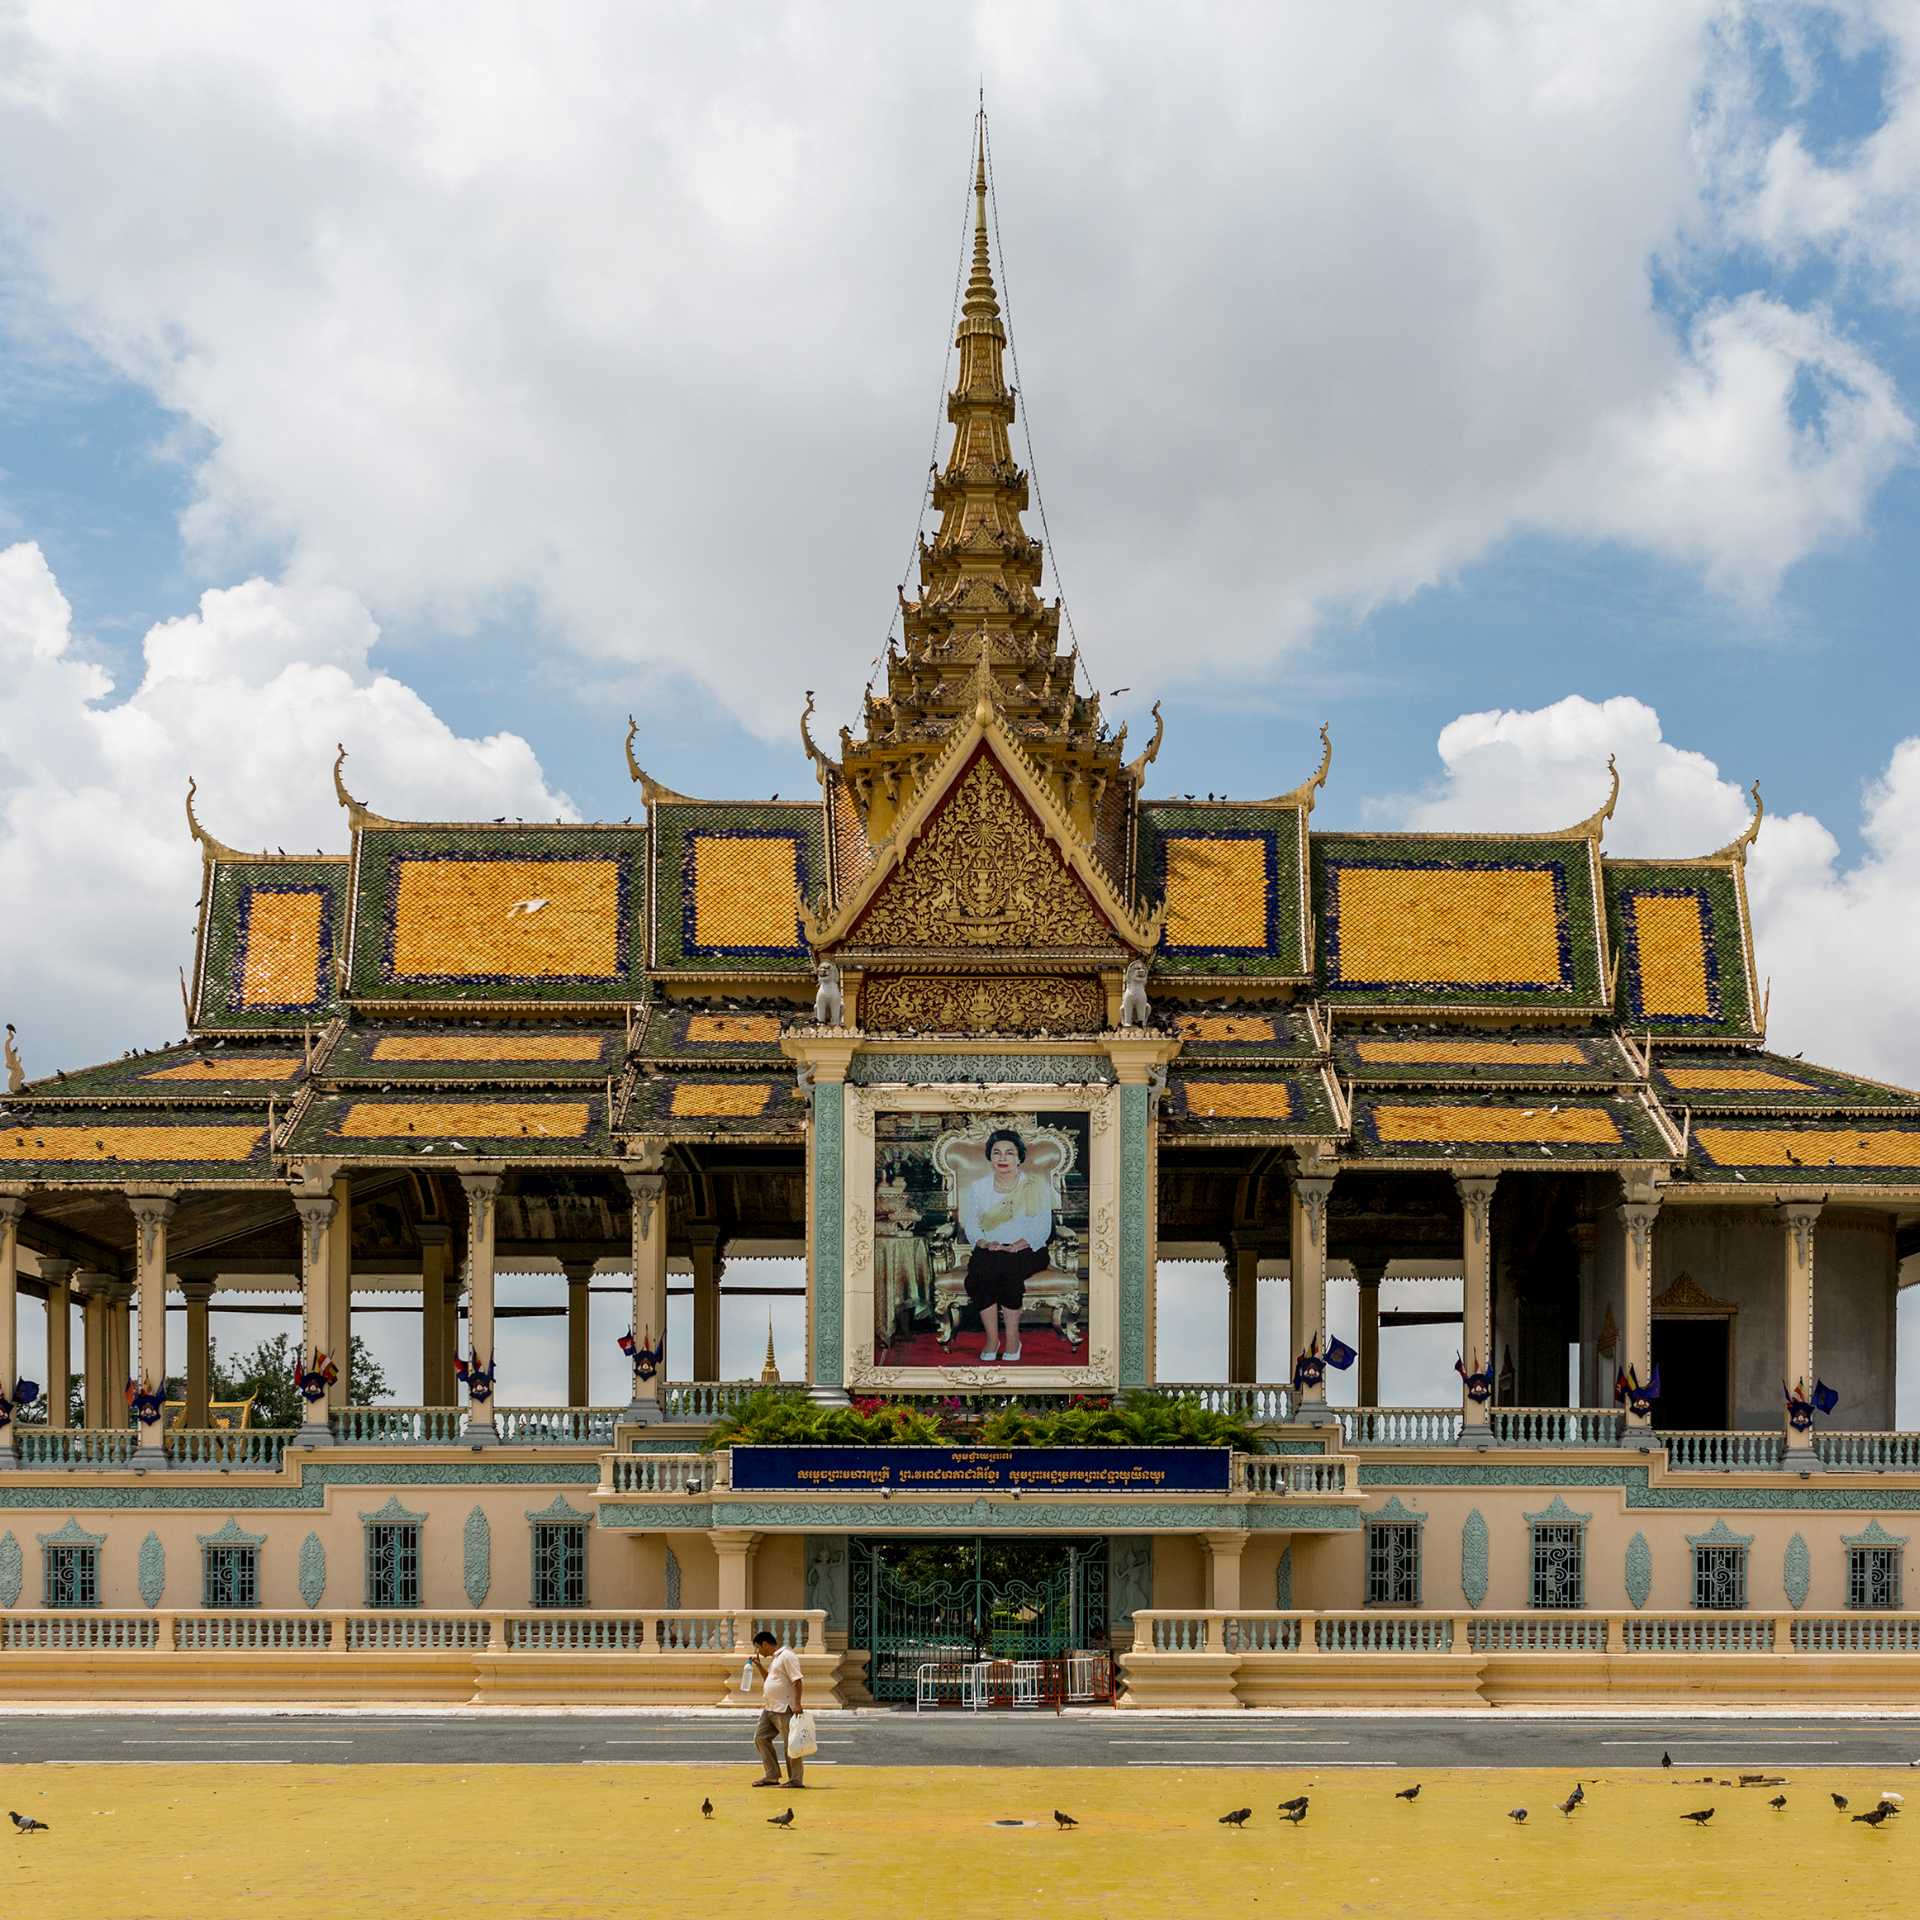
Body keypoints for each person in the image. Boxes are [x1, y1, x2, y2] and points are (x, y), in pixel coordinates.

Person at [959, 1127, 1053, 1364]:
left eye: (1009, 1153)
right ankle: (992, 1340)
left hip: (1029, 1249)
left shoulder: (1035, 1185)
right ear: (990, 1157)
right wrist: (982, 1242)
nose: (1002, 1158)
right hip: (989, 1248)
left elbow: (1043, 1226)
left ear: (1019, 1157)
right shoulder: (979, 1187)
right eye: (997, 1152)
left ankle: (1012, 1339)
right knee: (982, 1272)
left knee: (1007, 1269)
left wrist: (1019, 1245)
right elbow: (971, 1222)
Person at [750, 1628, 806, 1789]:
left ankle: (796, 1779)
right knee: (761, 1738)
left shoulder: (787, 1656)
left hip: (785, 1707)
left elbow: (797, 1680)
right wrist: (760, 1666)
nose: (758, 1651)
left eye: (758, 1647)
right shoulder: (776, 1659)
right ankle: (772, 1775)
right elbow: (770, 1679)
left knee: (791, 1744)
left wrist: (797, 1703)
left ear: (765, 1644)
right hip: (770, 1708)